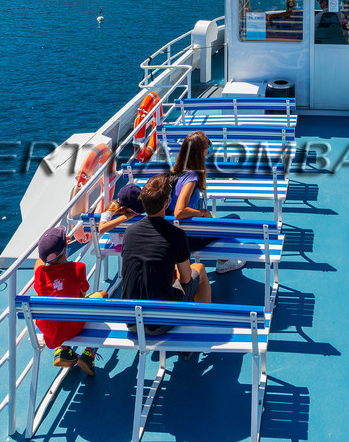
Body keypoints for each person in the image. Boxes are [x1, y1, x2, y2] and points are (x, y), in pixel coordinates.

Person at [119, 174, 211, 347]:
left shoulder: (129, 232)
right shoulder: (176, 235)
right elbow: (186, 279)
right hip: (160, 322)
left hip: (130, 320)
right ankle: (200, 333)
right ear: (167, 202)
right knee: (199, 268)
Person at [31, 226, 104, 376]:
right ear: (65, 248)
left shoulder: (40, 274)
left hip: (52, 331)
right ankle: (88, 354)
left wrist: (53, 250)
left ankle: (63, 349)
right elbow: (83, 294)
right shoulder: (78, 268)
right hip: (74, 326)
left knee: (59, 314)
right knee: (103, 296)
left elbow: (39, 263)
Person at [171, 130, 243, 272]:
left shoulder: (175, 171)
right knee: (234, 220)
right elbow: (179, 212)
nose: (209, 149)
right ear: (200, 152)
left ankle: (222, 258)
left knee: (216, 222)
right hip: (187, 238)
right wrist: (203, 212)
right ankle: (223, 262)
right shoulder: (191, 177)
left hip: (173, 232)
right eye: (207, 146)